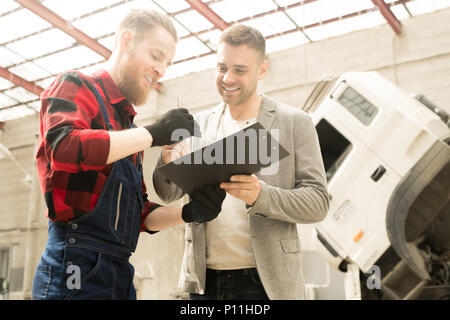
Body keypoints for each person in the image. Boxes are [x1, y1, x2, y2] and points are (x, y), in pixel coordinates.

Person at [31, 9, 226, 300]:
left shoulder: (128, 132)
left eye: (167, 63)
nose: (161, 70)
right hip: (74, 264)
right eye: (156, 56)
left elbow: (140, 215)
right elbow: (64, 148)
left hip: (120, 271)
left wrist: (189, 213)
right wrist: (154, 133)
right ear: (126, 40)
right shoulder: (74, 85)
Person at [153, 24, 330, 300]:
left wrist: (262, 195)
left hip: (265, 283)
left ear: (262, 70)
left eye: (239, 70)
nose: (227, 78)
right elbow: (168, 193)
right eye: (221, 67)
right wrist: (166, 160)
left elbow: (318, 203)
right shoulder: (197, 125)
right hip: (203, 280)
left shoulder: (294, 123)